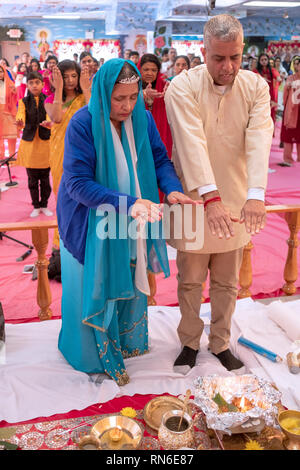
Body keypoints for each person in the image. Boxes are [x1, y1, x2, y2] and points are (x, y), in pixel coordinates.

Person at [56, 58, 195, 384]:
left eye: (133, 97)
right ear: (104, 92)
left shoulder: (143, 119)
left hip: (132, 214)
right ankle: (91, 354)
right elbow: (76, 184)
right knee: (93, 283)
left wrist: (172, 190)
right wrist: (129, 203)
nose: (127, 105)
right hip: (88, 219)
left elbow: (159, 158)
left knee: (128, 271)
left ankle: (127, 342)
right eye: (119, 98)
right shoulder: (83, 123)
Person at [165, 14, 273, 374]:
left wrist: (256, 194)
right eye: (219, 58)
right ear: (203, 51)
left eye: (235, 58)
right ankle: (189, 342)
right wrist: (209, 199)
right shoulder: (181, 86)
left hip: (237, 201)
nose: (228, 67)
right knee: (190, 280)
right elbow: (190, 141)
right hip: (194, 201)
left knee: (227, 282)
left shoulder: (256, 86)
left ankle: (222, 342)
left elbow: (259, 139)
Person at [45, 59, 90, 251]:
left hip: (83, 151)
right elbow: (57, 118)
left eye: (74, 76)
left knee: (84, 195)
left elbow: (93, 112)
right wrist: (58, 90)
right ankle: (61, 242)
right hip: (59, 153)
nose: (70, 80)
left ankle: (83, 239)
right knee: (62, 195)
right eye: (65, 77)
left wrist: (86, 88)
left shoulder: (84, 98)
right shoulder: (50, 100)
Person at [15, 72, 52, 217]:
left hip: (45, 145)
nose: (34, 85)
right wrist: (20, 122)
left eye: (37, 82)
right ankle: (36, 205)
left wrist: (49, 123)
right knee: (32, 180)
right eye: (31, 83)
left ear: (42, 84)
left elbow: (50, 115)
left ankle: (44, 204)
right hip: (29, 145)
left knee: (45, 179)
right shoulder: (23, 101)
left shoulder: (49, 100)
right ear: (27, 85)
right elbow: (20, 115)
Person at [138, 53, 172, 159]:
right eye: (146, 69)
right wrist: (142, 94)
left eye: (154, 70)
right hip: (139, 134)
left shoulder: (165, 86)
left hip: (160, 135)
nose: (150, 73)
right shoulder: (132, 86)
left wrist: (172, 91)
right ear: (139, 69)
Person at [279, 56, 300, 165]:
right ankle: (287, 158)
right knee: (288, 134)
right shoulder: (291, 78)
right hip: (291, 111)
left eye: (298, 63)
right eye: (296, 63)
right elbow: (285, 95)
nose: (297, 66)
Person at [254, 53, 281, 127]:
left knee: (271, 114)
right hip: (259, 97)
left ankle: (271, 132)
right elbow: (254, 77)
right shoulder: (256, 71)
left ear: (268, 60)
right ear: (259, 61)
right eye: (262, 60)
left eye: (265, 59)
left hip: (270, 96)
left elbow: (277, 75)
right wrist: (262, 79)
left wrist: (279, 78)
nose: (264, 61)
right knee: (260, 114)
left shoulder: (272, 70)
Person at [0, 64, 17, 159]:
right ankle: (0, 155)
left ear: (4, 72)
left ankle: (12, 155)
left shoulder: (10, 84)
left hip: (8, 111)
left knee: (11, 134)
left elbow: (16, 97)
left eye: (1, 71)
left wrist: (14, 92)